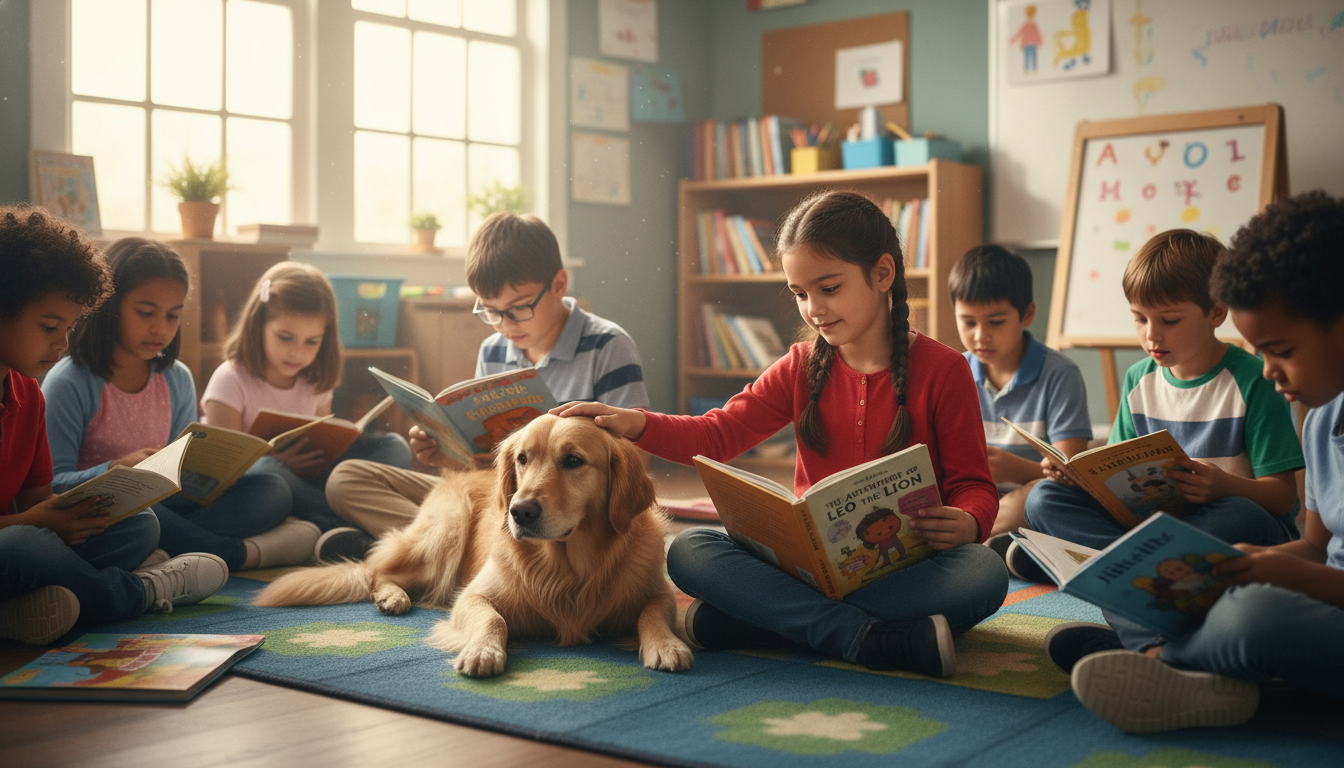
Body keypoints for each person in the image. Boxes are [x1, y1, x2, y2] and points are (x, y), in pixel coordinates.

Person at [553, 190, 1007, 677]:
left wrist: (968, 521)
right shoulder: (800, 366)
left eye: (829, 288)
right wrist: (637, 423)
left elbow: (975, 486)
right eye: (800, 293)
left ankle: (769, 623)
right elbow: (718, 433)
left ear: (882, 274)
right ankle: (867, 637)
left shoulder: (945, 370)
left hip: (904, 566)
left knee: (983, 573)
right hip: (807, 569)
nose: (813, 308)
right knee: (690, 550)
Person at [1058, 190, 1344, 733]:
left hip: (1312, 607)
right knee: (1145, 576)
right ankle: (1211, 669)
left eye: (1281, 351)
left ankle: (1160, 660)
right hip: (1316, 606)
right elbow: (1314, 545)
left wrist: (1283, 578)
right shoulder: (1324, 419)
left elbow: (1303, 552)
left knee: (1256, 616)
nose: (1267, 372)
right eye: (1260, 353)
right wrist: (1248, 564)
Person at [1021, 229, 1305, 666]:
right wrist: (1078, 476)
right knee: (1043, 499)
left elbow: (1284, 497)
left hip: (1235, 528)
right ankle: (1157, 639)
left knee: (1243, 513)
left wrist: (1223, 485)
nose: (1151, 335)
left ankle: (1134, 634)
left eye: (1169, 320)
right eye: (1139, 318)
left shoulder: (1253, 380)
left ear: (1216, 312)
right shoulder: (1139, 380)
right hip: (1152, 532)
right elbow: (1111, 471)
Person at [321, 212, 651, 561]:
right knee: (346, 478)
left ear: (558, 285)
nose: (505, 325)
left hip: (561, 509)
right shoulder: (493, 349)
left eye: (518, 308)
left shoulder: (608, 346)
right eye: (491, 312)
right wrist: (445, 452)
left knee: (491, 514)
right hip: (499, 499)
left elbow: (635, 459)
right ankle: (426, 545)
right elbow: (484, 464)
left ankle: (406, 547)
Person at [0, 208, 227, 644]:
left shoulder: (26, 394)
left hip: (26, 542)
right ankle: (136, 592)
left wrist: (54, 517)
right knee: (23, 547)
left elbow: (40, 502)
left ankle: (20, 612)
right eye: (49, 326)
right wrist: (34, 522)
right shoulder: (66, 381)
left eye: (68, 327)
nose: (62, 343)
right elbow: (30, 522)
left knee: (138, 525)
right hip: (13, 544)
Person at [43, 238, 310, 574]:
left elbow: (180, 472)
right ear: (108, 304)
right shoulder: (71, 382)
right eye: (145, 312)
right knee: (145, 519)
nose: (160, 328)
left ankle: (166, 552)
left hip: (168, 504)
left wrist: (213, 472)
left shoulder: (176, 378)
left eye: (173, 316)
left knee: (271, 488)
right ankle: (234, 554)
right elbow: (51, 485)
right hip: (107, 513)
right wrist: (114, 469)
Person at [200, 261, 412, 547]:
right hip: (258, 483)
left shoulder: (314, 380)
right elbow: (221, 466)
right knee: (271, 477)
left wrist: (338, 440)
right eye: (285, 338)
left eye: (311, 342)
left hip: (310, 480)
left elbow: (322, 440)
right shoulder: (231, 378)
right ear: (258, 323)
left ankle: (331, 520)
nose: (297, 352)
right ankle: (344, 519)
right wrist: (276, 459)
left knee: (394, 446)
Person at [948, 245, 1091, 543]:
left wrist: (1016, 468)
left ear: (1027, 314)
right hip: (972, 502)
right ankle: (994, 542)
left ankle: (980, 539)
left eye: (995, 322)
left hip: (1034, 499)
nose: (980, 336)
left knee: (1045, 497)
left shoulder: (1060, 374)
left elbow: (1074, 476)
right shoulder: (953, 372)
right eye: (968, 321)